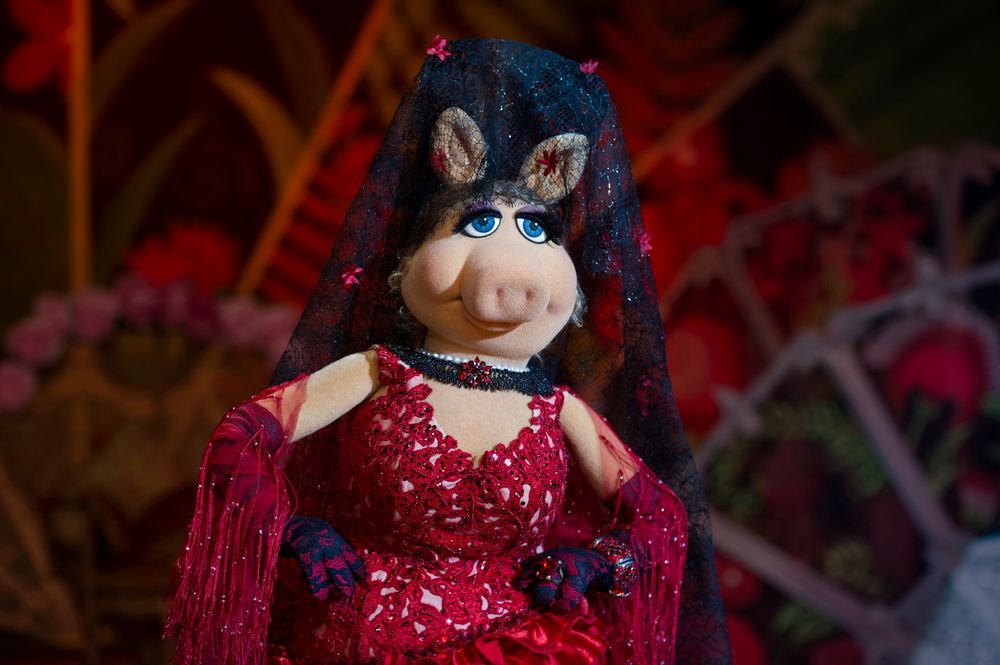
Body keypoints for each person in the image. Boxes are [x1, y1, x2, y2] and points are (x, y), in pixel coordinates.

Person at [165, 38, 731, 665]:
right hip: (365, 642)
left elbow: (661, 518)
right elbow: (243, 437)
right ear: (407, 266)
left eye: (536, 229)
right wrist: (287, 528)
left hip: (522, 646)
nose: (511, 261)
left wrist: (599, 562)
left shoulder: (558, 408)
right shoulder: (380, 372)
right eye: (479, 223)